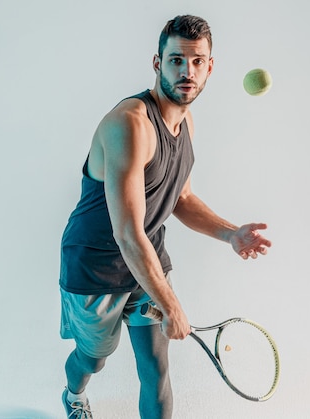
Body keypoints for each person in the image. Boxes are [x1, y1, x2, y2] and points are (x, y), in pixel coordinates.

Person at [59, 15, 271, 419]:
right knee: (93, 359)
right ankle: (73, 394)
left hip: (146, 259)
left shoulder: (185, 120)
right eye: (176, 60)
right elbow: (126, 232)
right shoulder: (130, 124)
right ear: (157, 63)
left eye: (196, 62)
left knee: (156, 368)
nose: (186, 72)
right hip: (95, 266)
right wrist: (172, 306)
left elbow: (181, 197)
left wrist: (231, 234)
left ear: (210, 66)